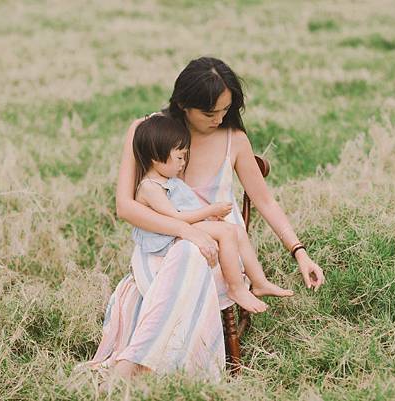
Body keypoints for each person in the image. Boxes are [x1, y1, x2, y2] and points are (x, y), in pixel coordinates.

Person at [88, 57, 325, 381]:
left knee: (192, 253)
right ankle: (157, 368)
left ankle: (137, 365)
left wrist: (300, 252)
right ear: (184, 104)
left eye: (226, 111)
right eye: (210, 113)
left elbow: (266, 201)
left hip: (222, 255)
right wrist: (188, 231)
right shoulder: (148, 131)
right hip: (161, 247)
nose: (219, 119)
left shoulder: (235, 140)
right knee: (186, 251)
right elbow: (126, 207)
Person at [131, 114, 294, 313]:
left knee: (237, 231)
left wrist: (208, 218)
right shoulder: (150, 187)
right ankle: (236, 288)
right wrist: (210, 210)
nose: (183, 163)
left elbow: (186, 209)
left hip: (183, 227)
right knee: (226, 232)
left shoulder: (168, 180)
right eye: (180, 157)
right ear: (156, 157)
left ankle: (259, 282)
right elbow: (175, 217)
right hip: (166, 235)